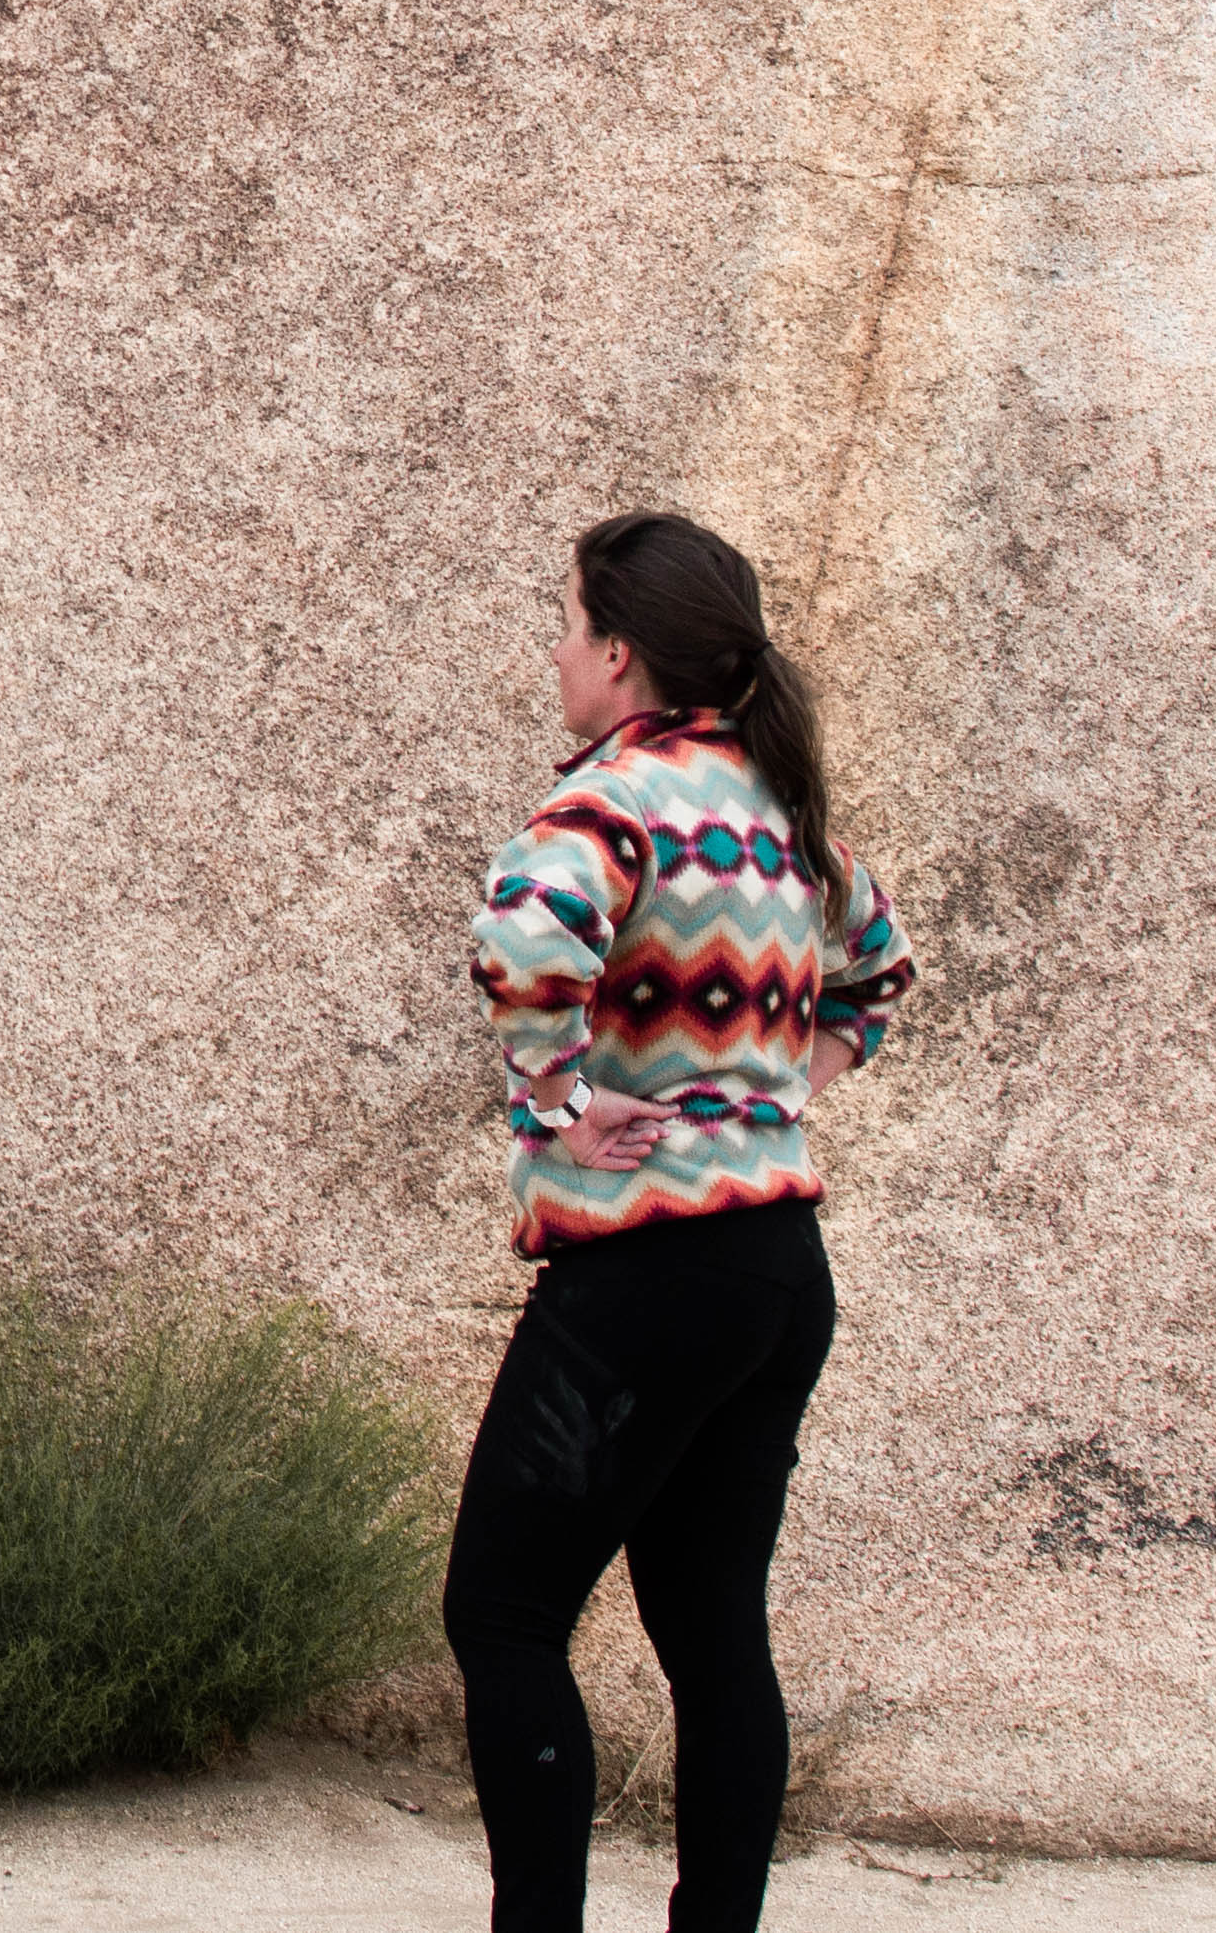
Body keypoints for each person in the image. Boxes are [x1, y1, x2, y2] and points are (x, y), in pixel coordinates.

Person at [444, 510, 913, 1933]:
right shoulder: (780, 809)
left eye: (564, 626)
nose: (553, 653)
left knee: (504, 1613)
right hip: (777, 1267)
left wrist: (556, 1108)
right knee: (711, 1630)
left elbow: (523, 939)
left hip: (652, 1267)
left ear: (617, 652)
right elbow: (876, 975)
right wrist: (769, 1097)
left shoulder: (610, 799)